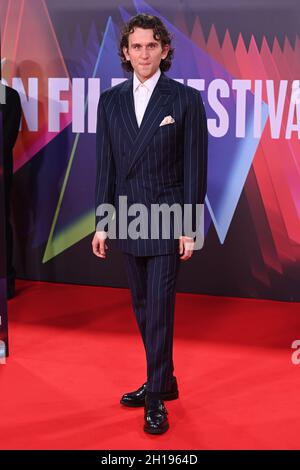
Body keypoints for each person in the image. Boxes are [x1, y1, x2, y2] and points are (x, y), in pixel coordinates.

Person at [92, 13, 208, 434]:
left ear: (165, 50)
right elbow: (105, 166)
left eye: (151, 45)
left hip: (166, 215)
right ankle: (164, 379)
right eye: (136, 46)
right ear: (125, 52)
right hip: (127, 216)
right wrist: (103, 222)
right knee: (142, 307)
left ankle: (156, 396)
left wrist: (189, 226)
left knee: (159, 309)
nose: (144, 53)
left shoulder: (184, 100)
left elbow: (196, 166)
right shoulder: (110, 101)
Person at [0, 80, 21, 299]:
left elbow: (7, 139)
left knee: (1, 226)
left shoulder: (9, 96)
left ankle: (6, 282)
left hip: (0, 175)